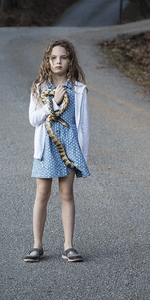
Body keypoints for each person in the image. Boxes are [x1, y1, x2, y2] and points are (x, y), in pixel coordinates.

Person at [25, 39, 90, 262]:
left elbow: (84, 127)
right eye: (54, 58)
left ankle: (69, 246)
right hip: (46, 146)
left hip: (70, 148)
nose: (58, 61)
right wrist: (53, 102)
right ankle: (37, 245)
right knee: (42, 194)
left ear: (70, 60)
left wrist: (83, 157)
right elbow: (34, 119)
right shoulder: (39, 88)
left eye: (63, 57)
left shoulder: (79, 90)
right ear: (48, 61)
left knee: (67, 195)